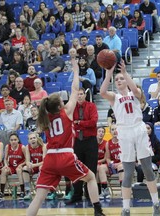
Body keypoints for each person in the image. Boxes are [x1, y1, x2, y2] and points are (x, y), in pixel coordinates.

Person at [26, 59, 105, 216]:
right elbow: (75, 90)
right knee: (90, 178)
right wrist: (75, 71)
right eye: (62, 101)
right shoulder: (66, 112)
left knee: (39, 197)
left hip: (49, 158)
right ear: (59, 106)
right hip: (65, 155)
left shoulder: (45, 117)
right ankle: (97, 211)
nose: (65, 101)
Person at [100, 60, 160, 216]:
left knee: (147, 169)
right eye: (117, 79)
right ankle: (126, 208)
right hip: (124, 132)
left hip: (138, 129)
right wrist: (108, 74)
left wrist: (125, 73)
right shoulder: (114, 97)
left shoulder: (135, 93)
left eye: (122, 79)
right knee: (127, 172)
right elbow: (102, 92)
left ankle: (156, 205)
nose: (119, 81)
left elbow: (134, 88)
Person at [66, 87, 99, 203]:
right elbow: (70, 123)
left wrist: (79, 123)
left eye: (81, 94)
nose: (79, 96)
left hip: (90, 141)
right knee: (76, 168)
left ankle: (90, 195)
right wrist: (82, 124)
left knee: (91, 168)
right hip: (77, 142)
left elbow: (93, 122)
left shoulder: (91, 106)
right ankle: (77, 195)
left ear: (84, 95)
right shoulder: (72, 108)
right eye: (77, 94)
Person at [98, 124, 124, 199]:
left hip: (122, 164)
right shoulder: (108, 143)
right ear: (110, 132)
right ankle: (105, 190)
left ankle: (123, 190)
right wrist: (111, 163)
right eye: (112, 130)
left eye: (116, 129)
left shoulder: (123, 141)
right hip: (113, 165)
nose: (115, 131)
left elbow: (126, 157)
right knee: (101, 167)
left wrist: (119, 163)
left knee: (120, 166)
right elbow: (108, 158)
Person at [0, 133, 26, 199]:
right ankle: (2, 192)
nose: (13, 141)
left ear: (18, 140)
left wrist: (21, 165)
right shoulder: (7, 146)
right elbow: (5, 158)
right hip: (11, 166)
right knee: (4, 170)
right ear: (9, 141)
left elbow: (27, 159)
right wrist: (5, 165)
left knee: (18, 170)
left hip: (20, 166)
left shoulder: (22, 147)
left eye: (15, 140)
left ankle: (22, 191)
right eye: (11, 140)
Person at [22, 132, 46, 200]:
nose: (33, 140)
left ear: (37, 138)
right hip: (33, 167)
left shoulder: (43, 146)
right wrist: (28, 164)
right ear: (28, 140)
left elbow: (45, 162)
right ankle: (28, 191)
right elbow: (27, 160)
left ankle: (40, 190)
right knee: (25, 168)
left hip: (41, 166)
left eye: (34, 138)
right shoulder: (27, 147)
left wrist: (34, 165)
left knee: (42, 167)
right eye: (31, 138)